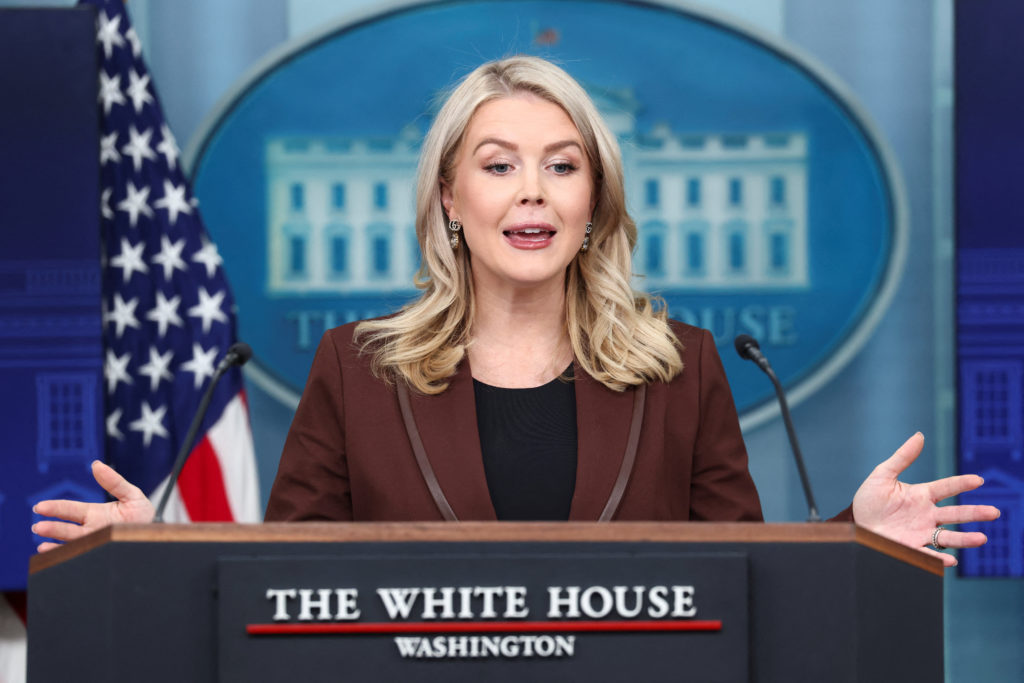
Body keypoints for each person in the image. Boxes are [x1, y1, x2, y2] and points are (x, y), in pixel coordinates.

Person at [33, 56, 998, 566]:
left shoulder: (684, 367)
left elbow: (740, 575)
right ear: (450, 201)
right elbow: (285, 584)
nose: (531, 191)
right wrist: (153, 551)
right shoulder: (355, 370)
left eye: (562, 165)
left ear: (594, 205)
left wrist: (851, 537)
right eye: (498, 166)